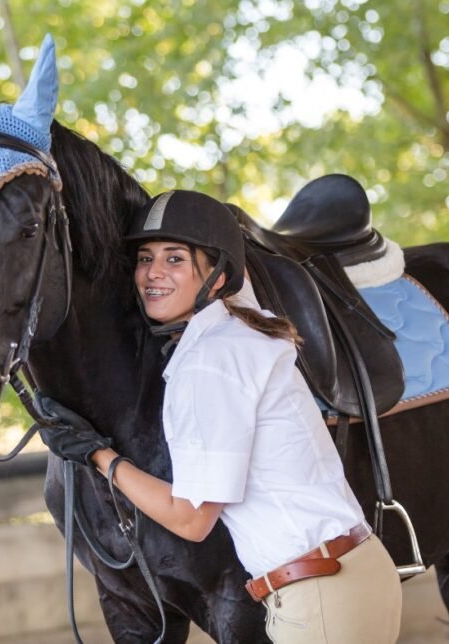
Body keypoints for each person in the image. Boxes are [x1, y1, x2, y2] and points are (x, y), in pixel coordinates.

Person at [38, 190, 402, 643]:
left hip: (319, 597)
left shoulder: (208, 362)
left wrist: (99, 456)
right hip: (357, 575)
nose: (153, 273)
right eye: (145, 258)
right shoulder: (246, 332)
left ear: (216, 275)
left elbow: (192, 520)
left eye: (175, 259)